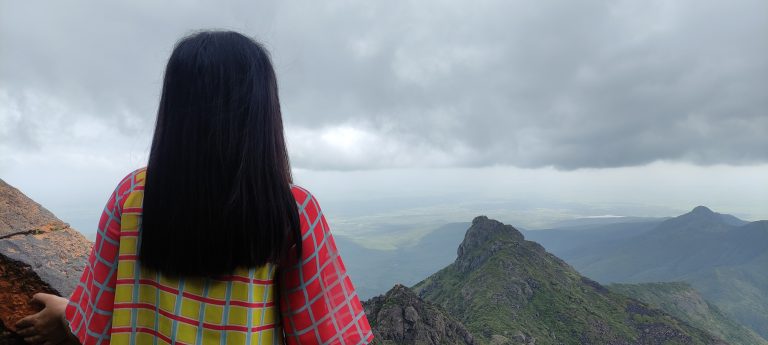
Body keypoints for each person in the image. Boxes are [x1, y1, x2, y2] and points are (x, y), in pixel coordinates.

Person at [14, 30, 374, 345]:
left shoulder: (132, 196)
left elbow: (93, 321)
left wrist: (66, 312)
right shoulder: (290, 209)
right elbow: (329, 333)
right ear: (264, 112)